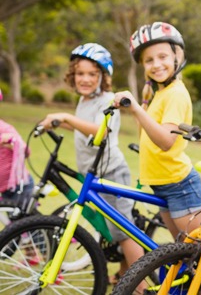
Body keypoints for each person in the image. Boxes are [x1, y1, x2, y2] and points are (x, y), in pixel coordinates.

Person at [38, 43, 144, 286]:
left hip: (112, 173)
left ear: (102, 77)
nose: (85, 79)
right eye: (80, 73)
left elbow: (100, 130)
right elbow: (81, 125)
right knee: (112, 229)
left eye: (91, 74)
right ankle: (123, 275)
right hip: (94, 175)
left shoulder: (108, 101)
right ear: (72, 76)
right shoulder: (85, 101)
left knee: (123, 232)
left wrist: (65, 117)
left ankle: (142, 287)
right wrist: (56, 122)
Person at [113, 22, 201, 240]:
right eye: (149, 60)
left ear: (177, 56)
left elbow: (166, 141)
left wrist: (135, 108)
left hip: (179, 185)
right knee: (182, 250)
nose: (156, 65)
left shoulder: (175, 93)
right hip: (163, 184)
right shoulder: (161, 93)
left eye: (162, 57)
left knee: (199, 254)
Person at [0, 89, 34, 209]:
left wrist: (12, 144)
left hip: (19, 186)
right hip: (4, 188)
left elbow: (26, 151)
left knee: (22, 224)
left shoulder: (4, 128)